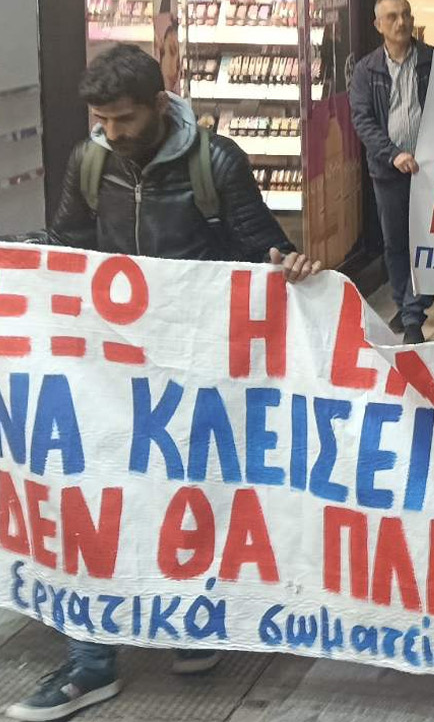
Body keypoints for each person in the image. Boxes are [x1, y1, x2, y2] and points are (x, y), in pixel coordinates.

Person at [2, 45, 322, 722]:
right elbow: (70, 243)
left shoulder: (217, 162)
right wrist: (24, 258)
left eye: (123, 119)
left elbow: (259, 247)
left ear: (158, 103)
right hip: (108, 370)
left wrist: (289, 264)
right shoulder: (90, 161)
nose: (112, 132)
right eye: (102, 120)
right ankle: (90, 663)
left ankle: (187, 624)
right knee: (91, 501)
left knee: (188, 499)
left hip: (196, 370)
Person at [351, 0, 434, 344]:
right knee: (396, 243)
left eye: (406, 15)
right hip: (389, 172)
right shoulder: (366, 70)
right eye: (392, 17)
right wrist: (393, 154)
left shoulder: (433, 61)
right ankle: (408, 308)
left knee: (429, 242)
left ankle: (413, 310)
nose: (401, 22)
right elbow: (363, 120)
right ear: (378, 25)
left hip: (430, 171)